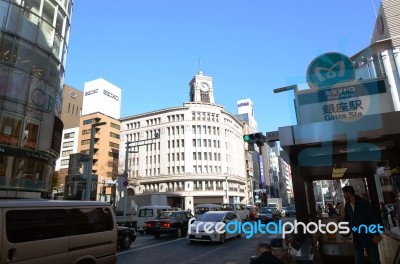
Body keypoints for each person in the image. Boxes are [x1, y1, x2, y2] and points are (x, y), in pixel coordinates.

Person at [342, 185, 382, 264]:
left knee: (374, 258)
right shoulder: (347, 205)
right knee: (358, 259)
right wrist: (350, 227)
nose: (343, 195)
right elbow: (347, 217)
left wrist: (376, 234)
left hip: (368, 234)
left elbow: (372, 218)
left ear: (349, 193)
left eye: (344, 193)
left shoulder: (363, 203)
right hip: (357, 235)